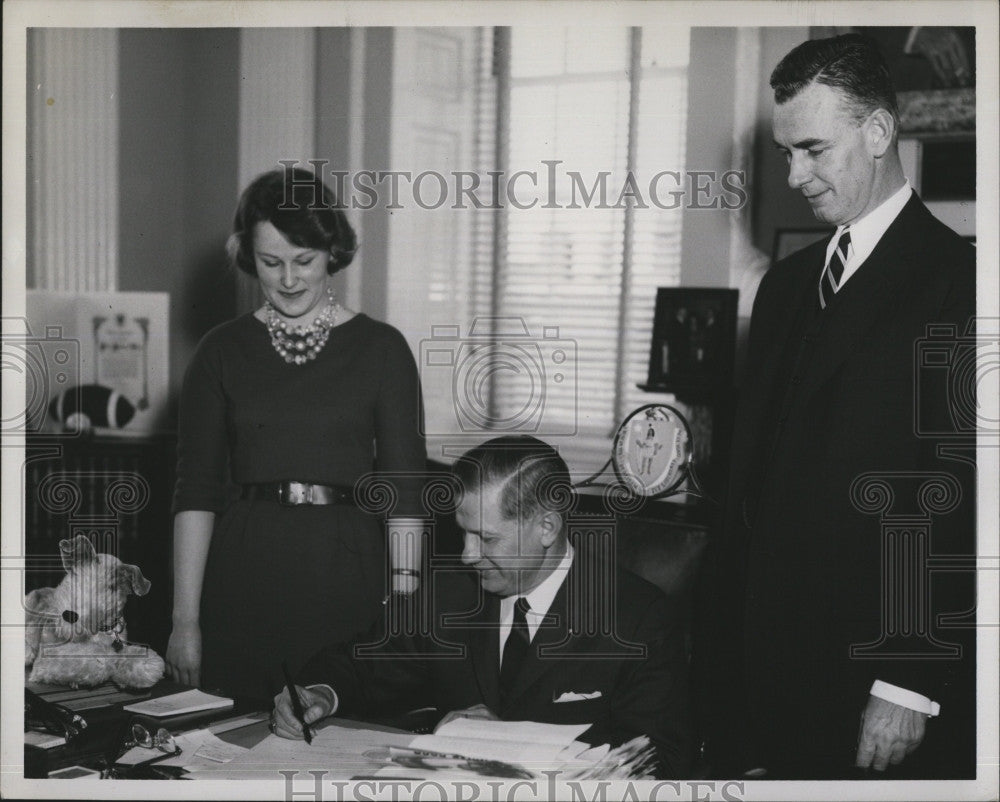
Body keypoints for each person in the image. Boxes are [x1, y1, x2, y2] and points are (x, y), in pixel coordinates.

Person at [703, 34, 976, 779]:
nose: (794, 176)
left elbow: (959, 503)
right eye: (788, 152)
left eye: (814, 150)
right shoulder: (787, 285)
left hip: (868, 675)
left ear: (880, 132)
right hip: (759, 666)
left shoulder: (964, 285)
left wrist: (909, 681)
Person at [272, 435, 693, 777]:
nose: (467, 555)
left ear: (546, 526)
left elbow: (659, 765)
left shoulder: (637, 620)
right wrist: (318, 695)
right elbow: (360, 665)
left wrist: (512, 748)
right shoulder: (449, 597)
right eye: (463, 533)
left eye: (486, 538)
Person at [165, 167, 426, 705]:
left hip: (346, 570)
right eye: (270, 262)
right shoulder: (219, 351)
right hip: (244, 574)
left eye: (303, 261)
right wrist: (185, 621)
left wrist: (404, 610)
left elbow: (406, 496)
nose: (288, 279)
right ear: (247, 256)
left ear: (332, 251)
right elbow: (196, 493)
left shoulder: (382, 349)